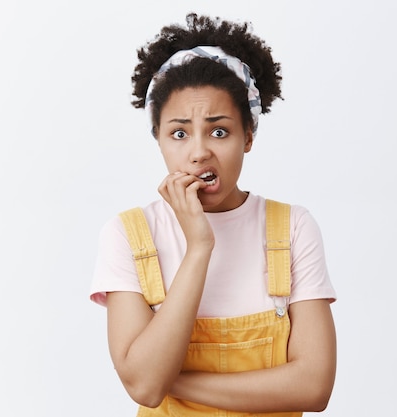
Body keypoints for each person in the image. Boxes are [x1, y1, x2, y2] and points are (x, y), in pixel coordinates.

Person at [90, 12, 337, 416]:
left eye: (219, 131)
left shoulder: (293, 227)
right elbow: (146, 388)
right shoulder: (128, 234)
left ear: (249, 136)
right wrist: (199, 245)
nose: (199, 150)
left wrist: (173, 379)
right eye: (179, 132)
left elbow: (313, 386)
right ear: (159, 140)